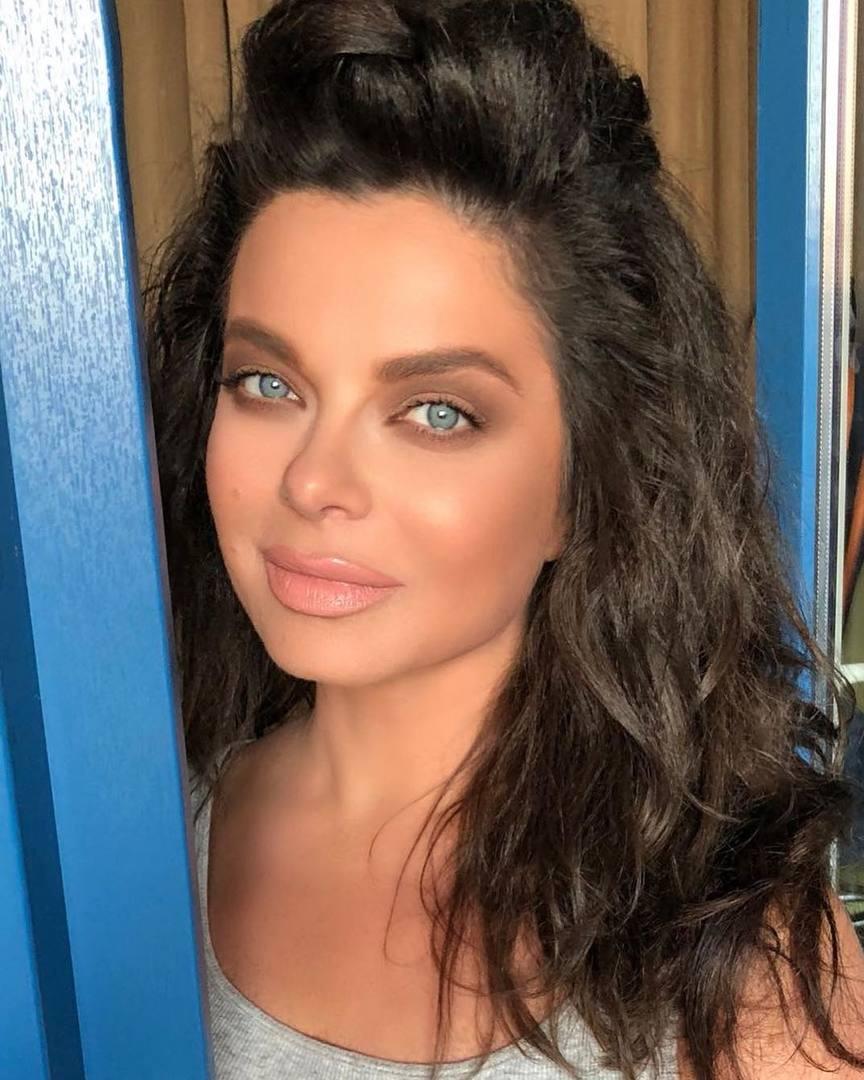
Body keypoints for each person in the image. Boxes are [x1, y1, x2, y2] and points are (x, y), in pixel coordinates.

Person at [143, 1, 864, 1077]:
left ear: (584, 482)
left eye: (437, 411)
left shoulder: (732, 940)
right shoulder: (147, 833)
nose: (313, 482)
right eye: (267, 384)